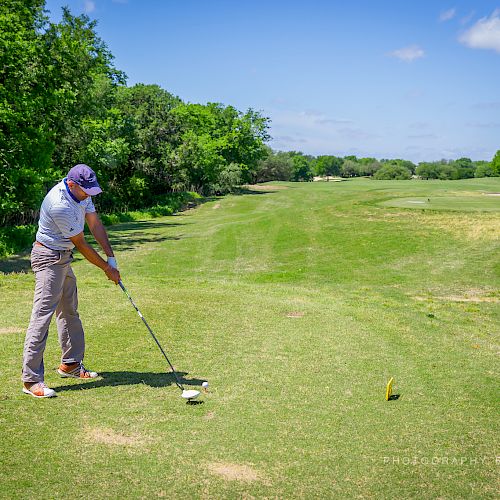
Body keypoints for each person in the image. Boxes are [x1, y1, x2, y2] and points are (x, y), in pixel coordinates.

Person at [22, 164, 121, 398]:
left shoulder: (82, 193)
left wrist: (111, 257)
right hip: (48, 258)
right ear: (72, 184)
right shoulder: (60, 204)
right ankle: (31, 380)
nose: (88, 195)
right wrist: (107, 269)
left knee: (69, 311)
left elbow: (94, 223)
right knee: (42, 316)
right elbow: (82, 243)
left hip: (63, 257)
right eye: (85, 190)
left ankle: (71, 364)